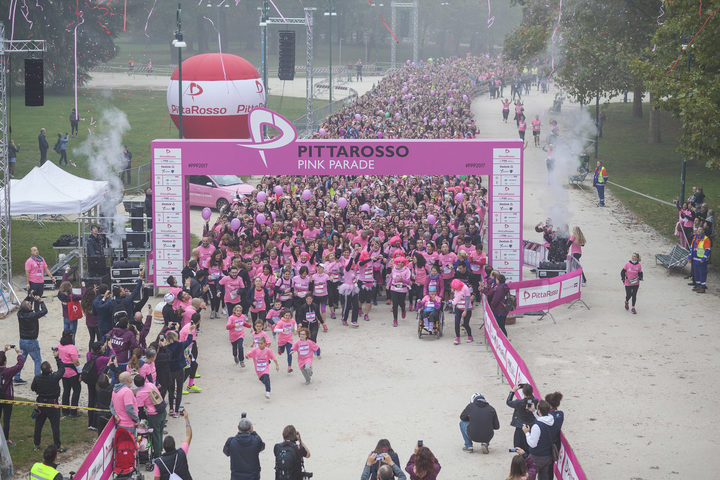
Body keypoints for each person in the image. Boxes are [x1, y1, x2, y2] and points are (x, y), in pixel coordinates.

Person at [31, 350, 66, 452]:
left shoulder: (37, 378)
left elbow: (33, 388)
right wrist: (57, 357)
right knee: (55, 426)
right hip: (52, 404)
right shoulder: (54, 377)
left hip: (41, 403)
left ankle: (36, 445)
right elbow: (62, 369)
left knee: (38, 425)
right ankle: (57, 445)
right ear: (50, 369)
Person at [14, 294, 47, 385]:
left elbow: (22, 305)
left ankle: (16, 377)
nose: (30, 303)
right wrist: (41, 301)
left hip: (22, 341)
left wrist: (29, 296)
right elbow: (44, 311)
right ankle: (38, 380)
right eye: (29, 303)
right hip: (31, 341)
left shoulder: (19, 314)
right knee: (37, 360)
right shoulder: (33, 315)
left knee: (22, 359)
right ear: (29, 308)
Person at [165, 326, 196, 417]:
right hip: (179, 370)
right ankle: (177, 410)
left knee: (170, 390)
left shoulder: (166, 348)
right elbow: (189, 341)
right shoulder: (180, 345)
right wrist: (190, 332)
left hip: (170, 371)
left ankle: (171, 409)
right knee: (179, 390)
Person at [154, 409, 193, 480]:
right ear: (174, 446)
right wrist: (186, 418)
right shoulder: (181, 453)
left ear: (164, 448)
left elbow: (156, 478)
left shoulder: (159, 462)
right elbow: (189, 436)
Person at [135, 375, 166, 463]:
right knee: (160, 433)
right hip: (162, 411)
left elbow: (140, 410)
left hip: (154, 415)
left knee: (155, 435)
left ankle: (157, 456)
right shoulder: (150, 385)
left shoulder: (140, 394)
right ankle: (160, 450)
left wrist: (143, 419)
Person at [223, 415, 265, 480]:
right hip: (253, 476)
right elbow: (262, 447)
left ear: (238, 428)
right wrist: (253, 432)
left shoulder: (231, 441)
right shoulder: (256, 440)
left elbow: (226, 452)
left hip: (236, 476)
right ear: (250, 428)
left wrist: (238, 435)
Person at [523, 400, 555, 480]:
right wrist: (534, 411)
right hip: (548, 456)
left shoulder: (536, 426)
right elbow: (542, 420)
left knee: (528, 476)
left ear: (539, 410)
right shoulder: (551, 421)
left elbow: (533, 444)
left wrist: (527, 433)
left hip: (536, 456)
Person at [0, 345, 24, 445]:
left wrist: (3, 351)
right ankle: (5, 440)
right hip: (7, 398)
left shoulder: (6, 371)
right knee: (6, 419)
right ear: (5, 362)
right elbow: (20, 365)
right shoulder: (8, 371)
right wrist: (18, 353)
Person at [507, 383, 538, 452]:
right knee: (529, 447)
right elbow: (530, 398)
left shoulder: (519, 403)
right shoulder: (535, 401)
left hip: (520, 427)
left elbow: (508, 402)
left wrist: (513, 391)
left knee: (518, 448)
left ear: (523, 393)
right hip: (531, 427)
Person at [56, 330, 81, 418]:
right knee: (76, 390)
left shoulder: (59, 346)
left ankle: (65, 410)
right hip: (72, 373)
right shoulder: (72, 348)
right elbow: (76, 362)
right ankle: (73, 412)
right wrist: (80, 372)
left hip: (63, 372)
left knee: (66, 391)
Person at [689, 226, 711, 293]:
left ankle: (702, 287)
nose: (698, 230)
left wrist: (703, 258)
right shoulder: (695, 238)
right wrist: (690, 257)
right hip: (695, 259)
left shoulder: (706, 239)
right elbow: (692, 248)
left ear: (703, 231)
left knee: (702, 273)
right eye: (698, 229)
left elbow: (707, 250)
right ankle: (698, 286)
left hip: (701, 260)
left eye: (700, 229)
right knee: (696, 273)